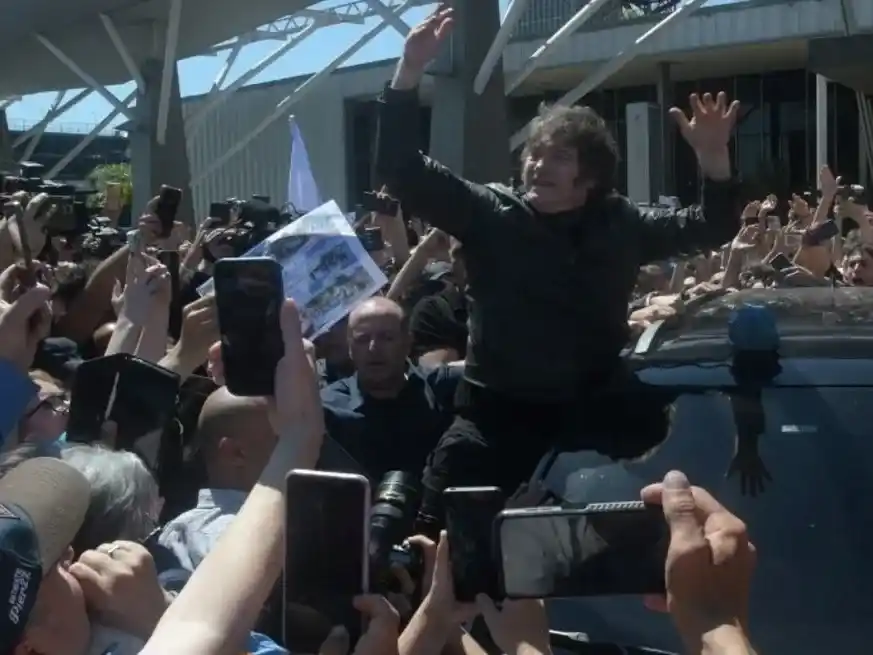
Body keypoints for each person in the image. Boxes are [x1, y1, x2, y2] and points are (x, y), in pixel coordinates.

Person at [374, 7, 743, 518]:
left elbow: (711, 226)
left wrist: (713, 159)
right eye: (534, 154)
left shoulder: (621, 223)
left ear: (589, 178)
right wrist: (410, 71)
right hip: (493, 423)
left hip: (594, 425)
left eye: (558, 157)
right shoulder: (491, 212)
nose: (537, 165)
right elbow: (401, 171)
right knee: (438, 536)